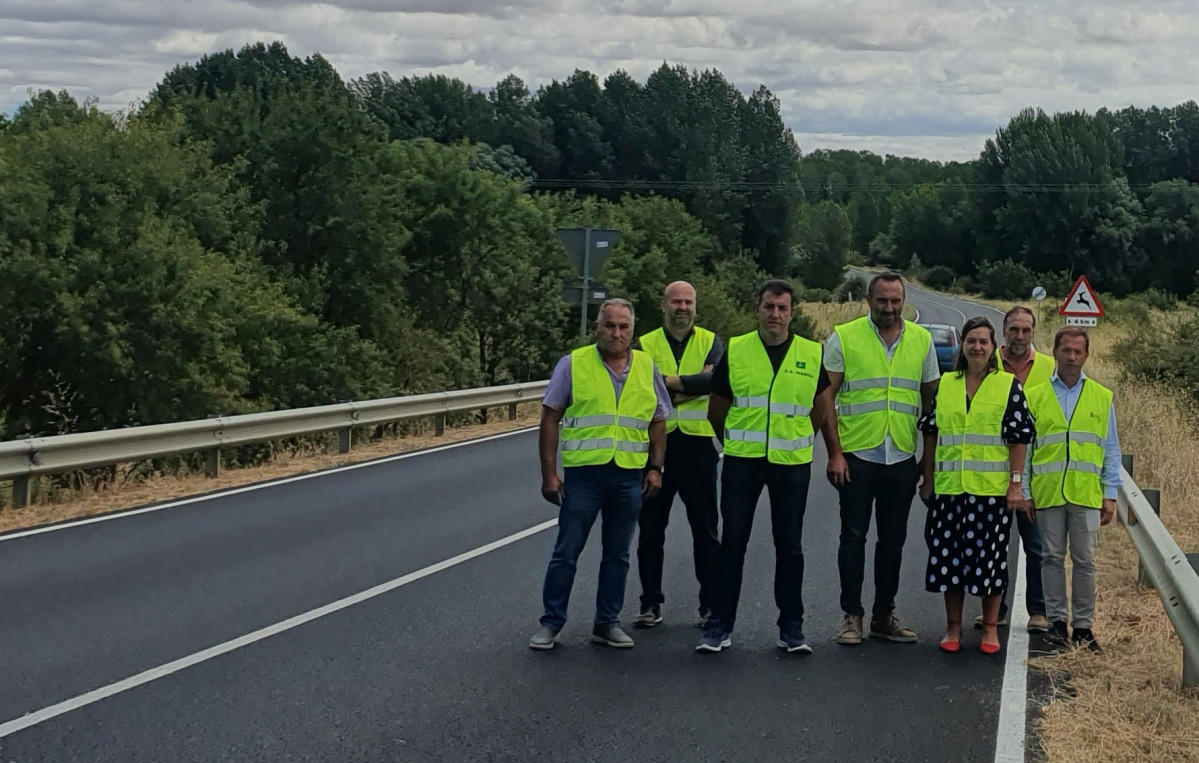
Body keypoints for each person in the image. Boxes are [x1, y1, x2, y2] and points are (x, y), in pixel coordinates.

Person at [696, 279, 831, 654]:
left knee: (789, 547)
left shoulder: (810, 352)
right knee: (732, 545)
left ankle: (791, 627)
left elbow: (821, 410)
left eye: (783, 308)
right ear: (757, 309)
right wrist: (737, 444)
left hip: (791, 464)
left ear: (792, 313)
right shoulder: (737, 350)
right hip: (743, 463)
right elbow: (716, 411)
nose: (775, 314)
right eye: (769, 306)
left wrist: (800, 441)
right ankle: (719, 625)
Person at [529, 299, 670, 650]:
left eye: (623, 327)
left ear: (633, 330)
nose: (617, 333)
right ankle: (551, 623)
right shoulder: (573, 364)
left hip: (628, 475)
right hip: (585, 475)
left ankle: (607, 623)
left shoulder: (646, 367)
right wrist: (549, 474)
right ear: (597, 327)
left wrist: (656, 467)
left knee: (618, 554)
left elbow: (658, 419)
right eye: (610, 325)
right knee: (567, 551)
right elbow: (550, 417)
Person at [822, 272, 939, 646]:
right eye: (881, 301)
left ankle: (884, 615)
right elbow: (826, 397)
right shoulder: (844, 337)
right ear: (869, 300)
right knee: (853, 537)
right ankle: (851, 615)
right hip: (856, 455)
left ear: (904, 301)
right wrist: (835, 453)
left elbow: (931, 402)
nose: (888, 308)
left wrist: (926, 461)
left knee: (893, 541)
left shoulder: (921, 340)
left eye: (895, 301)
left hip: (902, 457)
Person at [918, 317, 1035, 654]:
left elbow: (1019, 439)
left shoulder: (1008, 385)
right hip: (951, 490)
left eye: (984, 341)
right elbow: (931, 433)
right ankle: (952, 629)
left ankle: (990, 629)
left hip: (991, 492)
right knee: (948, 560)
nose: (977, 347)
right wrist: (928, 478)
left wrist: (1016, 485)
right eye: (971, 341)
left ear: (992, 346)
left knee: (992, 561)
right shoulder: (947, 384)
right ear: (963, 346)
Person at [1024, 327, 1122, 653]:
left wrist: (1110, 493)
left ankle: (1082, 627)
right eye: (1066, 350)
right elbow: (1025, 449)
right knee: (1050, 557)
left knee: (1085, 561)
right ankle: (1056, 623)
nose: (1072, 357)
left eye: (1078, 351)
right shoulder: (1034, 395)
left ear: (1087, 354)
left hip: (1086, 494)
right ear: (1054, 352)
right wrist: (1025, 490)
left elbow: (1110, 449)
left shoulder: (1101, 396)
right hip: (1048, 491)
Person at [632, 281, 724, 628]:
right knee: (651, 530)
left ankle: (710, 604)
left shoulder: (711, 341)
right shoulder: (644, 343)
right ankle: (649, 603)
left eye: (688, 302)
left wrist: (664, 383)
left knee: (706, 532)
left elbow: (713, 383)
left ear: (695, 306)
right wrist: (691, 385)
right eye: (676, 302)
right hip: (656, 448)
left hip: (699, 446)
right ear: (664, 305)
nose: (682, 307)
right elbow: (641, 390)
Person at [974, 305, 1054, 633]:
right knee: (992, 546)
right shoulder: (987, 364)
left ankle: (1038, 610)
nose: (1019, 336)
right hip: (991, 471)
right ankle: (997, 610)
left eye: (1026, 330)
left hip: (1034, 475)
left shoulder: (1049, 367)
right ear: (1003, 331)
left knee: (1036, 546)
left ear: (1033, 333)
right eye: (1014, 330)